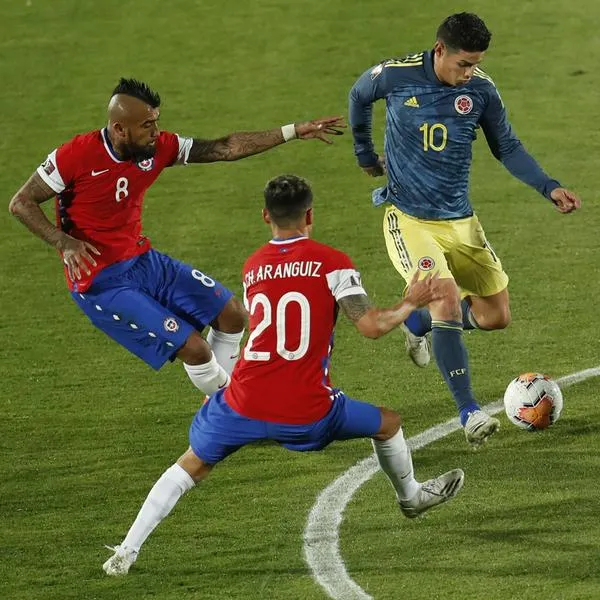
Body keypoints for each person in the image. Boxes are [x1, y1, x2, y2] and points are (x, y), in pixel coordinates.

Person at [102, 174, 465, 576]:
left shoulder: (254, 265)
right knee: (388, 424)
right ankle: (411, 498)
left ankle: (127, 550)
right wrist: (409, 302)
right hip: (306, 410)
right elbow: (371, 326)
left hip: (241, 401)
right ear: (310, 215)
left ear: (265, 216)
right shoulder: (333, 262)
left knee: (190, 466)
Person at [8, 78, 345, 394]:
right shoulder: (75, 155)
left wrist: (294, 131)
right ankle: (238, 408)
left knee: (233, 315)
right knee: (196, 350)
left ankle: (225, 405)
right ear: (119, 129)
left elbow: (225, 148)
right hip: (99, 281)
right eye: (147, 125)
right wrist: (62, 241)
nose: (156, 132)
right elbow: (21, 202)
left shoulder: (158, 147)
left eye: (155, 121)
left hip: (142, 260)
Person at [348, 13, 581, 448]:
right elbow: (359, 94)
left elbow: (507, 146)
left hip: (461, 221)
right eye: (463, 64)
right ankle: (469, 411)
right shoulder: (396, 76)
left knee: (496, 316)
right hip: (409, 217)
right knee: (447, 296)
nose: (469, 73)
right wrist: (364, 151)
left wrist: (549, 187)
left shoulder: (481, 91)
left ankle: (419, 323)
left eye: (474, 64)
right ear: (440, 50)